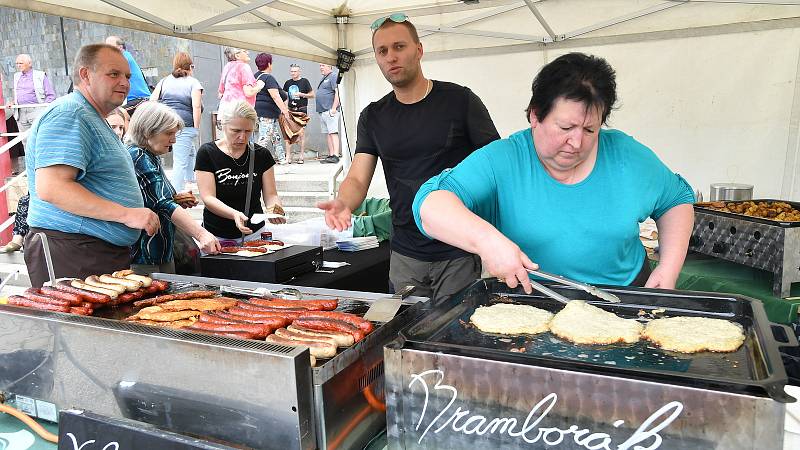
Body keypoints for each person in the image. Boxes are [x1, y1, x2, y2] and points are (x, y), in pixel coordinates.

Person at [413, 52, 695, 293]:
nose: (577, 142)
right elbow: (429, 204)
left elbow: (676, 199)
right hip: (536, 301)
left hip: (624, 297)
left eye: (590, 130)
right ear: (535, 115)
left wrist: (668, 268)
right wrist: (487, 241)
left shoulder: (626, 156)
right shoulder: (504, 159)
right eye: (565, 128)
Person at [317, 14, 500, 301]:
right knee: (405, 334)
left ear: (419, 49)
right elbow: (356, 177)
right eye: (382, 51)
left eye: (399, 46)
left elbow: (494, 165)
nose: (391, 57)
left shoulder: (460, 101)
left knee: (455, 339)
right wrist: (344, 203)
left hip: (458, 250)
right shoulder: (373, 116)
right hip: (405, 253)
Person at [23, 43, 159, 288]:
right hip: (73, 250)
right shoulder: (70, 113)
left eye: (127, 76)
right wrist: (127, 214)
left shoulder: (89, 115)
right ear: (85, 74)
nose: (125, 83)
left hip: (89, 250)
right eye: (114, 74)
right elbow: (53, 188)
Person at [126, 102, 220, 274]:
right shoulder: (138, 156)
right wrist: (201, 234)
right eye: (169, 133)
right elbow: (162, 202)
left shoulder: (150, 154)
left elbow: (153, 197)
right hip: (145, 256)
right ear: (148, 131)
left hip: (159, 252)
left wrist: (176, 198)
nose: (174, 140)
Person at [196, 101, 286, 244]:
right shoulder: (207, 153)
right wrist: (234, 214)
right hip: (216, 235)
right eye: (236, 131)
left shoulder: (261, 154)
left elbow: (271, 194)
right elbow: (208, 197)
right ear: (223, 125)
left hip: (254, 234)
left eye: (248, 131)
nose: (242, 137)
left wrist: (275, 209)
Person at [151, 52, 203, 192]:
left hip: (166, 123)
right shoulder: (193, 82)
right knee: (180, 160)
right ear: (190, 66)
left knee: (190, 152)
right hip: (185, 125)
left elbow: (152, 101)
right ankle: (175, 192)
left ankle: (190, 180)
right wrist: (196, 128)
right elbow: (196, 106)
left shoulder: (164, 81)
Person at [253, 53, 290, 164]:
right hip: (266, 114)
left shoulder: (255, 77)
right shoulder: (268, 78)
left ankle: (283, 161)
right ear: (269, 64)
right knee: (264, 139)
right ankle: (254, 166)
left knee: (275, 138)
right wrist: (285, 111)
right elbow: (275, 96)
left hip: (258, 113)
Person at [7, 54, 56, 135]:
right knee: (25, 140)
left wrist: (42, 110)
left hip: (36, 110)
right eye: (17, 63)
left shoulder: (40, 75)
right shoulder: (16, 76)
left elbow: (51, 95)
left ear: (29, 63)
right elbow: (19, 94)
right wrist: (13, 102)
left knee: (39, 137)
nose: (18, 65)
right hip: (20, 112)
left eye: (21, 63)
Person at [105, 36, 151, 116]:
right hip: (132, 101)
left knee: (114, 116)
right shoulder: (124, 57)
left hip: (139, 100)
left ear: (120, 47)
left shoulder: (123, 58)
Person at [283, 64, 314, 163]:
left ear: (299, 72)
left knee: (301, 134)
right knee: (288, 133)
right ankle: (288, 156)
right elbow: (285, 97)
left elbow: (312, 95)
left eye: (295, 71)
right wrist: (284, 110)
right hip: (291, 110)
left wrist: (302, 95)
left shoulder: (305, 81)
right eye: (292, 71)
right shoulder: (288, 83)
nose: (293, 73)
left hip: (301, 110)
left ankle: (301, 156)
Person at [218, 48, 264, 113]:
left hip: (224, 110)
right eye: (244, 51)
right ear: (237, 56)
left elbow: (220, 94)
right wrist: (260, 85)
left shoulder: (227, 67)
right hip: (240, 111)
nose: (248, 52)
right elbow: (249, 92)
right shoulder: (244, 67)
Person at [316, 63, 340, 164]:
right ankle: (331, 155)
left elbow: (338, 92)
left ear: (329, 66)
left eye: (323, 65)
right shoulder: (324, 78)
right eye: (320, 65)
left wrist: (334, 108)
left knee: (333, 132)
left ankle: (336, 155)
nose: (321, 67)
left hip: (330, 110)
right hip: (323, 111)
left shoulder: (333, 76)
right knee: (328, 133)